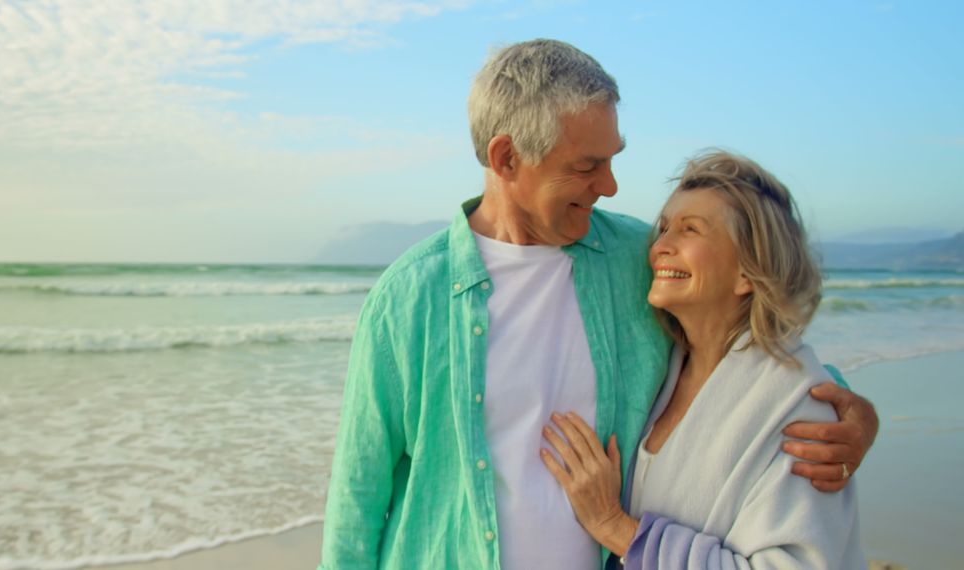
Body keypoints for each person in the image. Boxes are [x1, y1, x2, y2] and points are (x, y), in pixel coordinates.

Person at [320, 39, 877, 569]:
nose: (609, 186)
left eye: (612, 160)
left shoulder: (638, 259)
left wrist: (847, 411)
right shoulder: (407, 298)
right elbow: (358, 492)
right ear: (507, 157)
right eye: (587, 166)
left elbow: (737, 341)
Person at [541, 151, 864, 568]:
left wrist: (613, 526)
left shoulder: (801, 408)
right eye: (663, 229)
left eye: (690, 230)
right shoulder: (661, 368)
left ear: (749, 270)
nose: (660, 247)